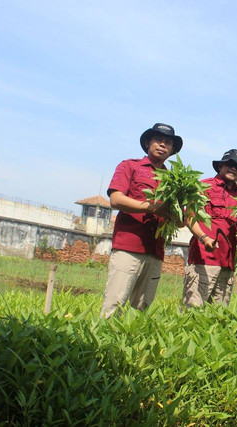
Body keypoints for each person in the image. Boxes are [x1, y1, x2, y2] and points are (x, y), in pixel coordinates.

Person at [100, 123, 183, 318]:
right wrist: (152, 207)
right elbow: (116, 199)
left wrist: (181, 210)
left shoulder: (174, 179)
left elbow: (179, 221)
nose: (163, 145)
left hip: (155, 250)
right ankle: (103, 344)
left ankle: (129, 345)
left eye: (168, 143)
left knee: (141, 308)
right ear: (148, 143)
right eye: (158, 140)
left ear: (172, 150)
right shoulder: (130, 166)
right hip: (129, 246)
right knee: (115, 303)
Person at [182, 149, 237, 307]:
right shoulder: (204, 186)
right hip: (204, 260)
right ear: (220, 166)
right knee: (193, 310)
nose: (233, 168)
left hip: (227, 264)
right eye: (230, 164)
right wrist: (203, 237)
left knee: (218, 314)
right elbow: (190, 217)